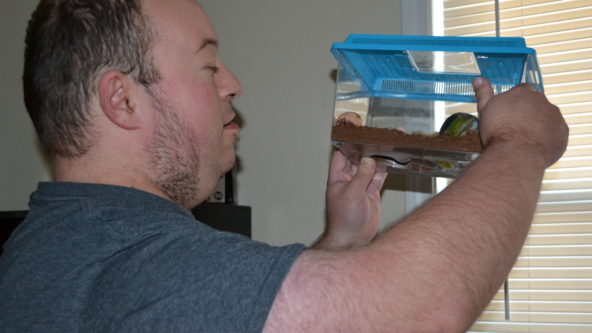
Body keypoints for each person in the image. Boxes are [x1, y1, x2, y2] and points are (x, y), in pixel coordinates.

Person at [0, 0, 568, 332]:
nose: (233, 84)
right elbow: (418, 310)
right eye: (209, 66)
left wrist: (341, 241)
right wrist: (520, 143)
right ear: (122, 100)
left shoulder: (40, 251)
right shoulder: (139, 263)